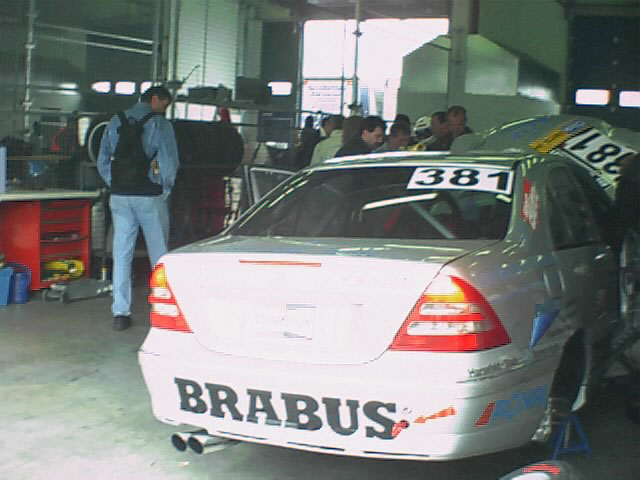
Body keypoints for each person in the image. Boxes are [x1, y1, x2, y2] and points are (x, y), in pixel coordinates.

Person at [97, 85, 179, 331]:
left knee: (122, 254)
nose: (164, 110)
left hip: (120, 197)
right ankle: (162, 309)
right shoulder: (160, 124)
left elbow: (102, 160)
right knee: (159, 254)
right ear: (155, 99)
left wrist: (114, 183)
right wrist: (164, 189)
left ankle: (120, 313)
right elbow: (169, 161)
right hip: (149, 197)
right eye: (164, 104)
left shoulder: (115, 120)